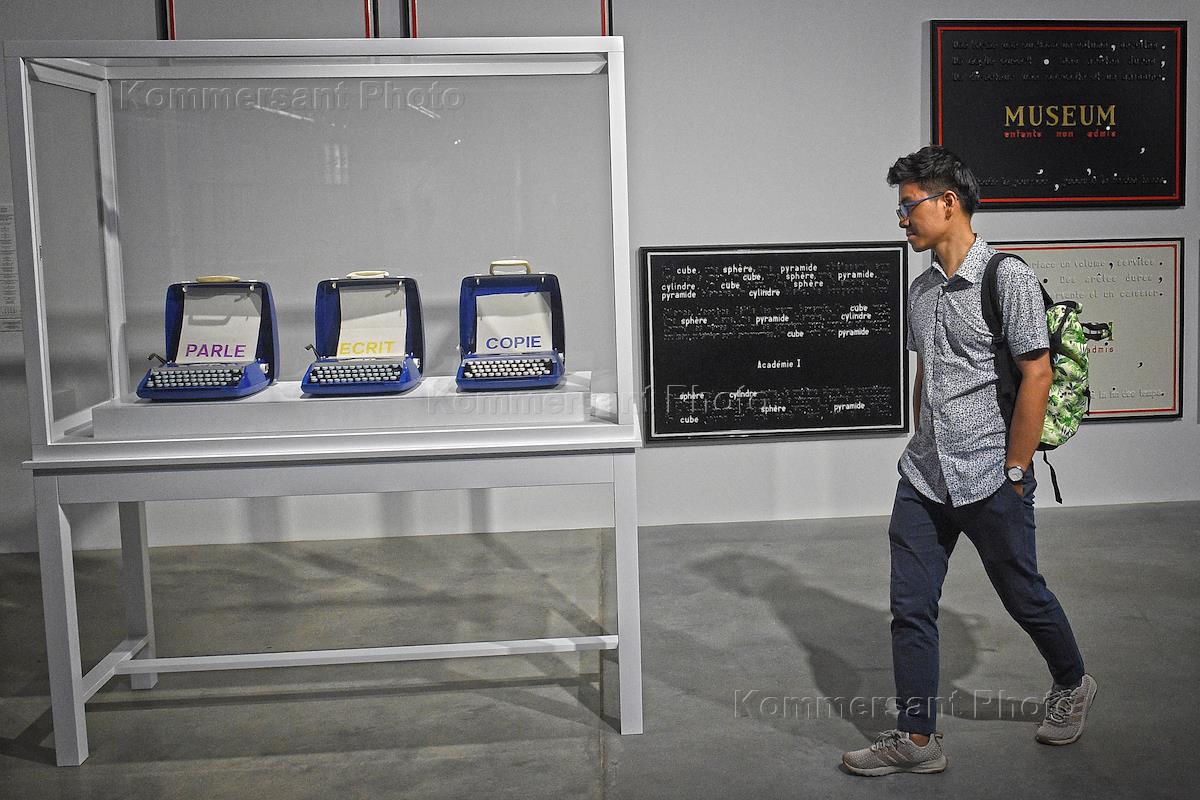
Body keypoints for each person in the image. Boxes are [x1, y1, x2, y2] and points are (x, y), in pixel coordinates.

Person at [841, 146, 1097, 777]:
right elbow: (929, 371)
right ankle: (918, 739)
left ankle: (1072, 682)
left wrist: (1015, 469)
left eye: (909, 205)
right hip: (924, 477)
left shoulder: (1006, 277)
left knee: (1023, 593)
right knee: (910, 607)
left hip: (990, 476)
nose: (902, 218)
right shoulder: (921, 291)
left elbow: (1037, 373)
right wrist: (922, 435)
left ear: (948, 203)